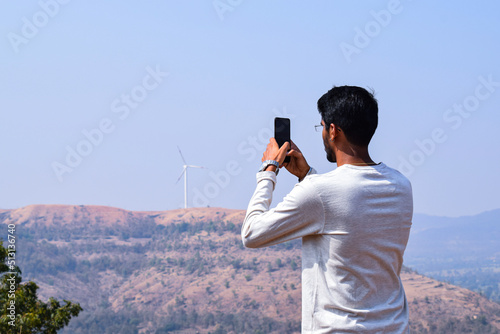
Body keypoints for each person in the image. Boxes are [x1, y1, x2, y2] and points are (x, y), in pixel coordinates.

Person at [241, 86, 413, 333]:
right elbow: (347, 212)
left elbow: (251, 233)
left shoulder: (320, 192)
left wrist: (269, 170)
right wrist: (307, 176)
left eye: (321, 126)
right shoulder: (401, 186)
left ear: (333, 130)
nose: (321, 132)